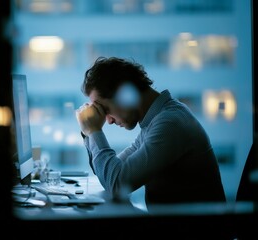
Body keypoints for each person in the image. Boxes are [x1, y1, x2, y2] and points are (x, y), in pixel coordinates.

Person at [75, 56, 226, 208]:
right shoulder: (156, 121)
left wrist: (94, 130)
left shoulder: (169, 124)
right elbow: (107, 174)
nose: (108, 120)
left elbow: (116, 183)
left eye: (106, 110)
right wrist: (89, 132)